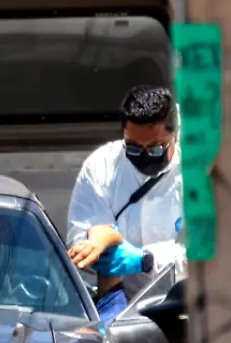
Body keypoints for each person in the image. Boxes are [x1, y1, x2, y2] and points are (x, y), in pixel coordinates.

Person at [66, 85, 186, 323]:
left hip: (183, 307)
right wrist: (94, 248)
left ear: (176, 134)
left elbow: (207, 252)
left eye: (155, 148)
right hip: (122, 310)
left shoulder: (197, 174)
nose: (143, 156)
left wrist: (146, 260)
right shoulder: (101, 166)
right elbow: (83, 232)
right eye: (132, 147)